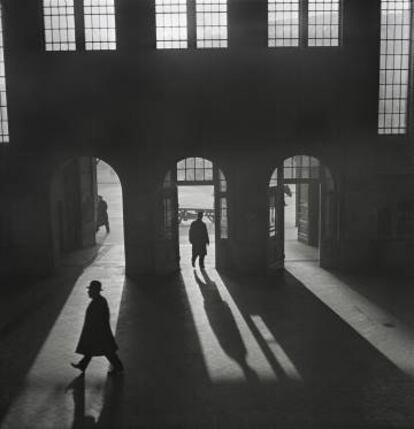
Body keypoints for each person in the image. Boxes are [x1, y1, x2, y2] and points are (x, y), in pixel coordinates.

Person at [71, 280, 124, 375]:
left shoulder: (99, 302)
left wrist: (95, 331)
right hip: (98, 332)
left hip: (100, 332)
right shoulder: (98, 301)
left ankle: (119, 368)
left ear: (95, 291)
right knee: (94, 350)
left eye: (90, 290)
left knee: (108, 351)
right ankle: (82, 365)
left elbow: (101, 319)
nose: (88, 292)